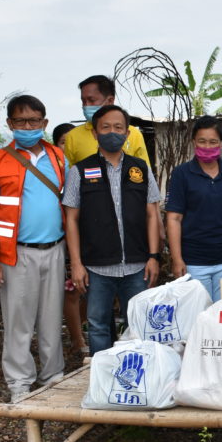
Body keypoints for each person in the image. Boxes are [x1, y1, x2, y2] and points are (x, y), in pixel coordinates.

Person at [0, 95, 69, 402]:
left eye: (33, 121)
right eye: (20, 121)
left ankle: (53, 375)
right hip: (16, 253)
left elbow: (69, 204)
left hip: (55, 249)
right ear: (9, 124)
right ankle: (19, 383)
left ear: (44, 123)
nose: (27, 127)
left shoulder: (58, 158)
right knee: (18, 321)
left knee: (51, 319)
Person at [63, 105, 161, 354]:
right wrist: (76, 263)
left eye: (118, 127)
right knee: (97, 325)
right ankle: (100, 379)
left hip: (137, 265)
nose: (112, 132)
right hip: (96, 266)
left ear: (127, 133)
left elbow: (152, 214)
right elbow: (71, 219)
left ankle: (136, 377)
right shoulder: (80, 171)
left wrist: (153, 257)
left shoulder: (140, 169)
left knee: (137, 325)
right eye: (105, 127)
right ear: (95, 133)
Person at [165, 115, 222, 301]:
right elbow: (174, 218)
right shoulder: (181, 174)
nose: (207, 147)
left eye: (213, 142)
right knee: (198, 318)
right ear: (193, 141)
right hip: (194, 262)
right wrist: (176, 258)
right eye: (202, 141)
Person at [53, 122, 88, 359]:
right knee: (72, 290)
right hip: (63, 237)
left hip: (88, 236)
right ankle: (77, 340)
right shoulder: (52, 174)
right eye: (64, 142)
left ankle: (81, 331)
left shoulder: (86, 172)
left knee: (89, 288)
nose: (69, 147)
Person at [62, 75, 150, 166]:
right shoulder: (73, 136)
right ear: (94, 133)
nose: (86, 105)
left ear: (110, 100)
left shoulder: (134, 134)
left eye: (91, 100)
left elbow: (145, 173)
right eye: (83, 101)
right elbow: (69, 176)